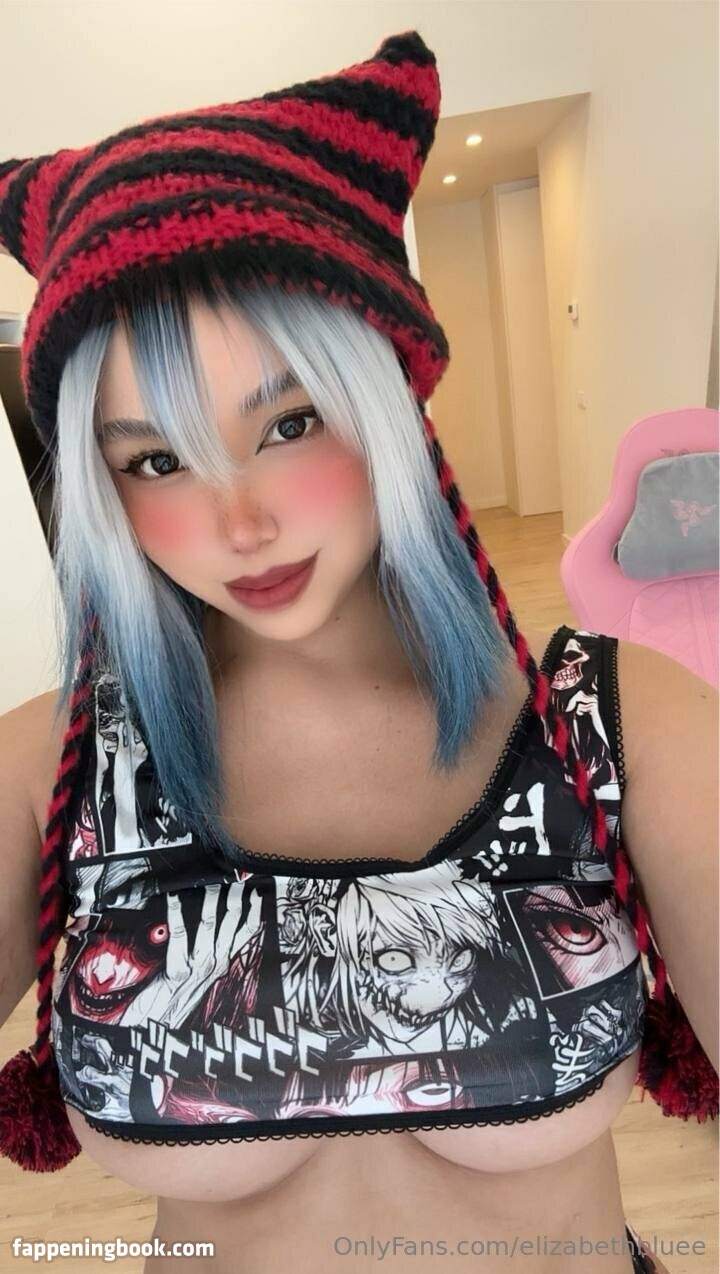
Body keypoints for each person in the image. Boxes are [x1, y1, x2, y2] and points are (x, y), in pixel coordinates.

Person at [0, 28, 716, 1274]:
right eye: (156, 459)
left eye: (288, 423)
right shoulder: (50, 770)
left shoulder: (617, 726)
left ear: (387, 400)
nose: (240, 523)